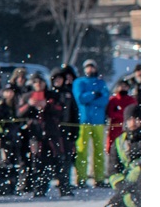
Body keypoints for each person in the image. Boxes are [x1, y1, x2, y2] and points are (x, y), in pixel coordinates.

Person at [17, 72, 65, 197]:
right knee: (37, 163)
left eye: (40, 82)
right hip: (35, 134)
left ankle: (64, 188)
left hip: (52, 132)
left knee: (58, 160)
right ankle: (39, 189)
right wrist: (30, 105)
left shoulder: (53, 95)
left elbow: (60, 111)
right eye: (35, 82)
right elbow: (19, 113)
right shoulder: (27, 96)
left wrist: (47, 106)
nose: (38, 85)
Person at [72, 59, 110, 188]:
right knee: (82, 150)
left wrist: (90, 99)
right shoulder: (79, 82)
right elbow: (80, 99)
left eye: (92, 67)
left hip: (98, 121)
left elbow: (104, 100)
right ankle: (81, 178)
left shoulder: (101, 83)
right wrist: (94, 94)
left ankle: (99, 177)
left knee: (99, 150)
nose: (90, 70)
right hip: (84, 121)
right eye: (88, 67)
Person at [101, 104, 140, 207]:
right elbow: (113, 169)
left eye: (138, 119)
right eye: (130, 119)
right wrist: (122, 187)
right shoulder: (119, 142)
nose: (134, 123)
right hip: (127, 185)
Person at [51, 67, 79, 196]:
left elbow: (74, 113)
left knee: (66, 159)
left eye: (60, 79)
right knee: (52, 159)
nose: (58, 81)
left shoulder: (68, 94)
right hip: (52, 133)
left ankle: (65, 185)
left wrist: (75, 132)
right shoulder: (50, 94)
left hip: (66, 131)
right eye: (56, 79)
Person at [104, 79, 137, 152]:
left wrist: (121, 114)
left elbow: (134, 113)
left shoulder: (131, 100)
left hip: (128, 128)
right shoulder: (113, 100)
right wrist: (122, 115)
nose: (122, 88)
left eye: (125, 86)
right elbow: (110, 113)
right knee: (113, 148)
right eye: (120, 86)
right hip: (115, 128)